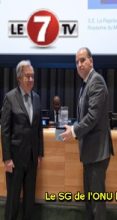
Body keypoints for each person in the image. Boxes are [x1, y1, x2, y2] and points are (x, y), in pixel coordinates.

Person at [60, 47, 114, 220]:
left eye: (83, 60)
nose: (79, 64)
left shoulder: (96, 81)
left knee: (97, 204)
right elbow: (86, 116)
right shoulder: (86, 83)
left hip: (97, 153)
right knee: (90, 202)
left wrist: (75, 130)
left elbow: (92, 117)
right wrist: (73, 127)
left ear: (91, 61)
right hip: (90, 152)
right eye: (77, 62)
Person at [1, 60, 44, 220]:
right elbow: (5, 130)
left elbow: (38, 128)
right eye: (28, 76)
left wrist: (40, 153)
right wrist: (7, 158)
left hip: (32, 159)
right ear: (19, 78)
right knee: (13, 200)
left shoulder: (37, 98)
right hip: (15, 159)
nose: (31, 79)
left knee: (29, 201)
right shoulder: (10, 98)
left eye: (33, 76)